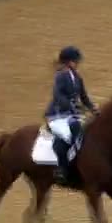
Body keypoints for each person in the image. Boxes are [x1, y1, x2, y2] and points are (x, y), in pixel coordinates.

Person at [44, 46, 99, 184]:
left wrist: (94, 109)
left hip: (72, 115)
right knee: (67, 135)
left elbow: (84, 97)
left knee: (85, 132)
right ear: (69, 62)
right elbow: (58, 96)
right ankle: (61, 169)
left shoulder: (78, 78)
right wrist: (72, 106)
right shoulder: (60, 76)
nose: (78, 63)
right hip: (57, 115)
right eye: (76, 61)